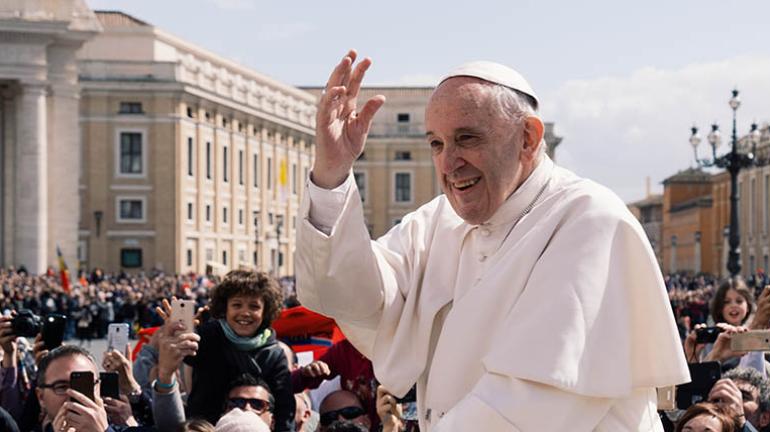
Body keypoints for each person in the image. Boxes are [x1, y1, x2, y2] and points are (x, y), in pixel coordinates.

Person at [295, 50, 689, 430]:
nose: (449, 163)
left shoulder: (589, 219)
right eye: (436, 144)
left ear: (528, 138)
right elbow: (348, 294)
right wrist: (332, 175)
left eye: (467, 139)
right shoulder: (437, 222)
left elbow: (530, 402)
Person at [182, 270, 294, 431]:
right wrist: (176, 339)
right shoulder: (206, 337)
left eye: (254, 306)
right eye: (237, 305)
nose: (245, 313)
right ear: (225, 308)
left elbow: (285, 408)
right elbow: (181, 358)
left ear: (265, 312)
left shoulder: (274, 354)